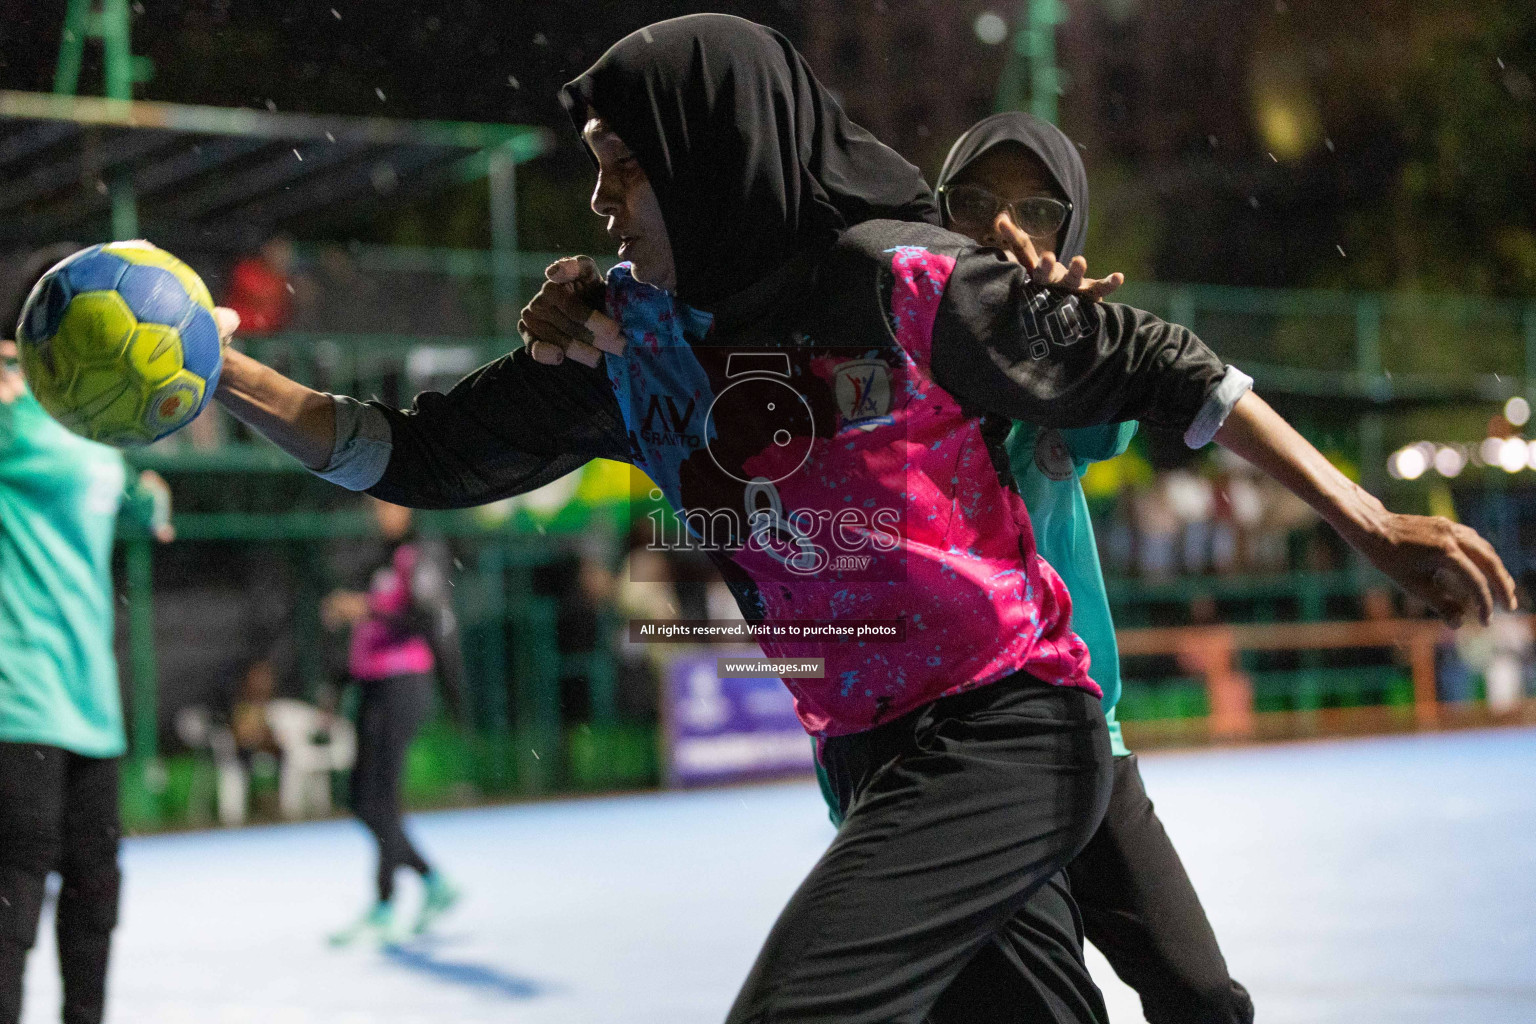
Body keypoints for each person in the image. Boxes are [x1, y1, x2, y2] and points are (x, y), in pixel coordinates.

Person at [205, 16, 1513, 1022]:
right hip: (869, 755)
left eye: (624, 171)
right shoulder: (630, 347)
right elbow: (405, 451)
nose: (600, 203)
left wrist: (1366, 521)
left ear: (708, 158)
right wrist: (222, 374)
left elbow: (1162, 365)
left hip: (1017, 720)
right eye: (596, 173)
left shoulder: (899, 284)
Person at [902, 110, 1254, 1023]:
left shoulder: (1076, 345)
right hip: (961, 755)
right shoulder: (892, 353)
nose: (1001, 225)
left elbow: (1104, 426)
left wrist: (1056, 348)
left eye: (1038, 208)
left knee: (1206, 998)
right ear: (936, 212)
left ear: (1073, 229)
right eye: (972, 201)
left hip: (1084, 734)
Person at [1, 249, 174, 1024]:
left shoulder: (98, 424)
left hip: (91, 704)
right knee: (13, 897)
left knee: (96, 895)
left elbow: (133, 501)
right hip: (15, 699)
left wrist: (150, 493)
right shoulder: (8, 408)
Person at [322, 496, 464, 945]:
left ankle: (397, 898)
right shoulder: (379, 559)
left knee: (378, 802)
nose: (380, 511)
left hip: (403, 684)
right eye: (375, 504)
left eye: (388, 503)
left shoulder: (419, 554)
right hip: (372, 686)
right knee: (363, 799)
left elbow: (424, 618)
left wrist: (364, 608)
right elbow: (369, 628)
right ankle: (422, 886)